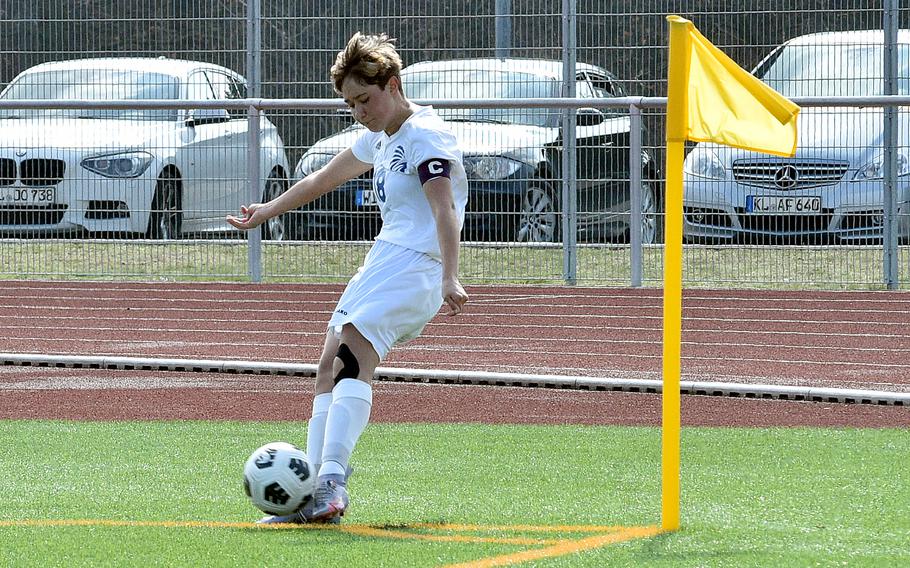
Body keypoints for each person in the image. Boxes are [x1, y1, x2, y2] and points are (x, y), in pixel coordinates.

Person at [227, 31, 469, 524]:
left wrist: (450, 276)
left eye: (365, 98)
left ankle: (332, 483)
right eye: (350, 103)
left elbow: (443, 208)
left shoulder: (427, 135)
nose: (359, 111)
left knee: (353, 347)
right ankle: (310, 493)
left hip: (418, 264)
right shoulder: (379, 136)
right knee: (326, 363)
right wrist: (267, 210)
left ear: (393, 84)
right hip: (385, 258)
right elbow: (325, 179)